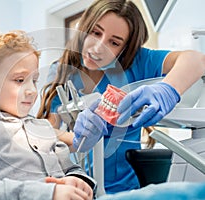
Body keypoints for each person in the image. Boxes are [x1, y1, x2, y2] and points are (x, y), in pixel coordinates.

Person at [37, 0, 205, 194]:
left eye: (114, 42)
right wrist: (77, 139)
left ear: (125, 49)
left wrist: (168, 89)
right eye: (95, 32)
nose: (98, 48)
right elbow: (48, 130)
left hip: (124, 189)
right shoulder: (61, 70)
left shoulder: (139, 63)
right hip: (76, 184)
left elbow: (196, 60)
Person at [0, 31, 100, 200]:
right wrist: (47, 193)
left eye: (34, 80)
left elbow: (70, 169)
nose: (32, 90)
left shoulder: (42, 127)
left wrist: (78, 180)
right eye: (19, 80)